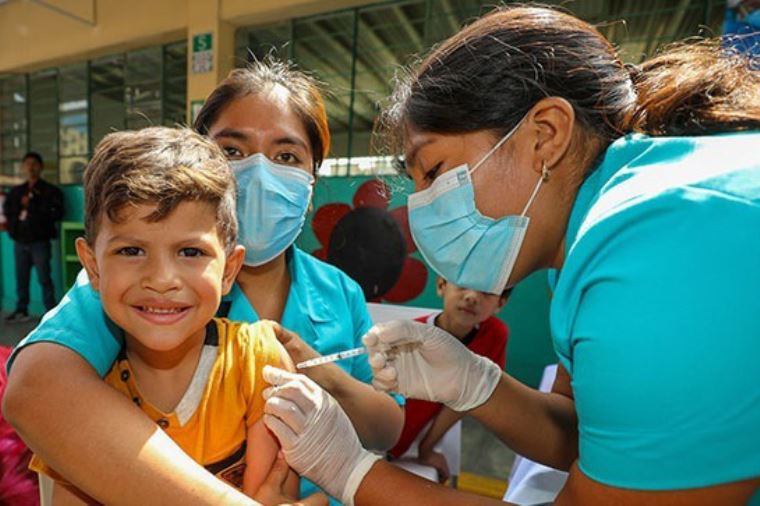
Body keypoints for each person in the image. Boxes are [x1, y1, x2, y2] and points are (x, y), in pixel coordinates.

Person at [260, 6, 760, 506]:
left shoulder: (655, 245)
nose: (424, 206)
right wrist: (476, 383)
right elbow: (585, 437)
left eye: (434, 171)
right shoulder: (587, 248)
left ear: (545, 134)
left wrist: (352, 473)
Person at [3, 61, 401, 505]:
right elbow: (36, 391)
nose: (259, 173)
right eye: (232, 150)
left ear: (311, 181)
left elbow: (386, 430)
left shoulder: (339, 290)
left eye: (286, 156)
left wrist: (319, 371)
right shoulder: (123, 289)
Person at [27, 127, 308, 504]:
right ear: (92, 266)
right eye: (131, 251)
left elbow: (277, 495)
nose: (161, 280)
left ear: (229, 270)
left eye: (191, 252)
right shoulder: (78, 395)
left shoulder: (260, 362)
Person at [388, 277, 509, 483]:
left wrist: (427, 447)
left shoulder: (494, 336)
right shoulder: (406, 337)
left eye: (487, 293)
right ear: (441, 285)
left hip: (408, 445)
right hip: (378, 437)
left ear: (500, 303)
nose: (471, 297)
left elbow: (466, 398)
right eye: (463, 285)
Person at [3, 152, 63, 322]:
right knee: (21, 278)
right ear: (22, 167)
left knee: (44, 278)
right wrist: (13, 230)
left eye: (34, 163)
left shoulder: (50, 191)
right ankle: (22, 310)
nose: (31, 167)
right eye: (27, 164)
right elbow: (8, 212)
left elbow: (58, 213)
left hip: (39, 242)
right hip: (20, 242)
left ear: (41, 167)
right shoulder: (16, 192)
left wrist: (35, 204)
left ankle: (51, 313)